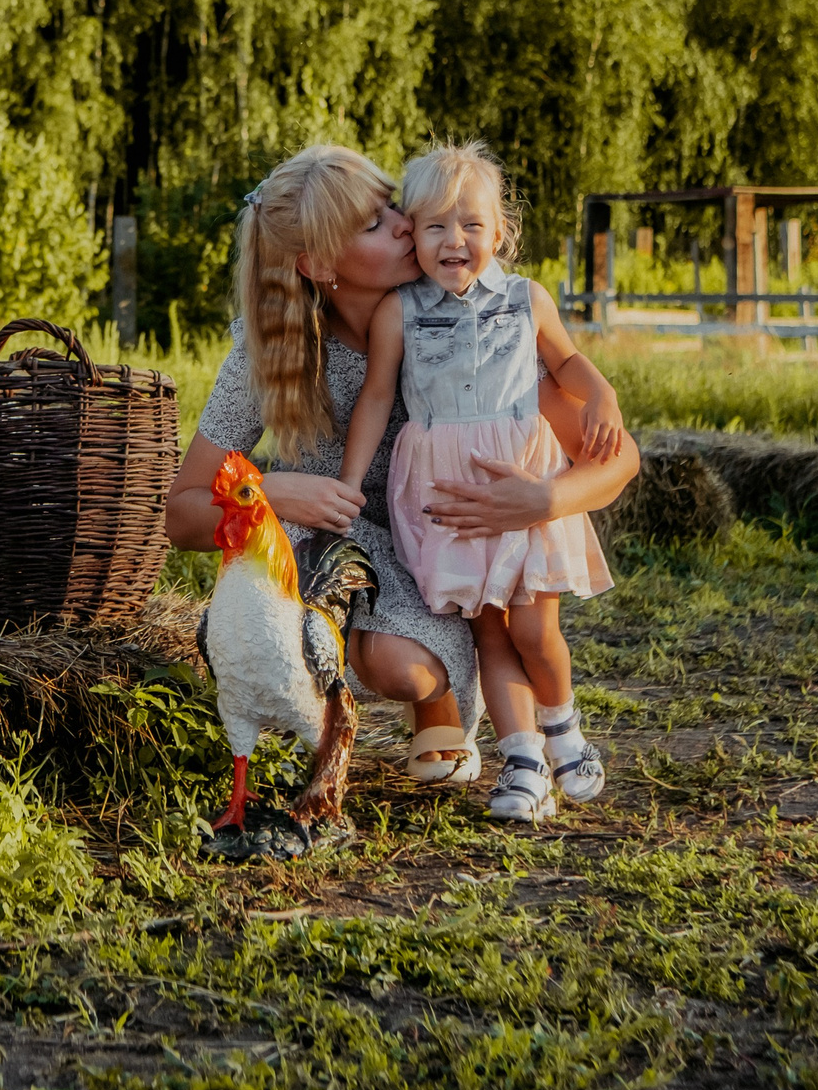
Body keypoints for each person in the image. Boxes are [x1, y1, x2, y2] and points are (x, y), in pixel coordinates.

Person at [162, 143, 638, 795]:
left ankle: (438, 701)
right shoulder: (274, 349)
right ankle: (313, 714)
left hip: (432, 550)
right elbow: (182, 512)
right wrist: (271, 491)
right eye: (374, 222)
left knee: (402, 663)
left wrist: (544, 500)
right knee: (262, 638)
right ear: (320, 263)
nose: (406, 224)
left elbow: (618, 457)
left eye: (393, 206)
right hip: (323, 540)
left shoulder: (460, 318)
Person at [338, 140, 619, 824]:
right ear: (413, 234)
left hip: (522, 481)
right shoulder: (398, 312)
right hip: (449, 497)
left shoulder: (527, 300)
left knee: (534, 625)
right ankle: (521, 761)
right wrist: (348, 484)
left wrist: (603, 396)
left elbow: (570, 362)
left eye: (470, 224)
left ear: (499, 231)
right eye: (434, 225)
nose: (453, 240)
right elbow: (377, 397)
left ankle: (563, 729)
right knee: (492, 633)